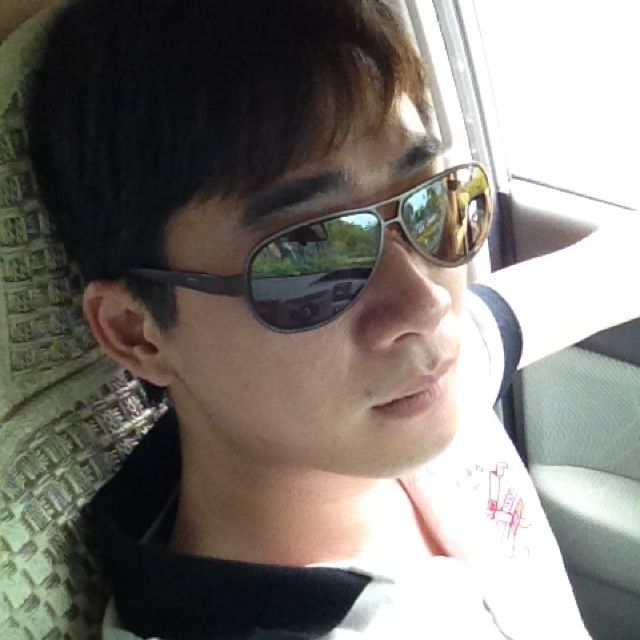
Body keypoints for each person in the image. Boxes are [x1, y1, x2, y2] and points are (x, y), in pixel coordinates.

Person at [23, 0, 639, 638]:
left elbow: (605, 272)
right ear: (137, 334)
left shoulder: (421, 393)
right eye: (309, 254)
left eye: (431, 202)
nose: (427, 303)